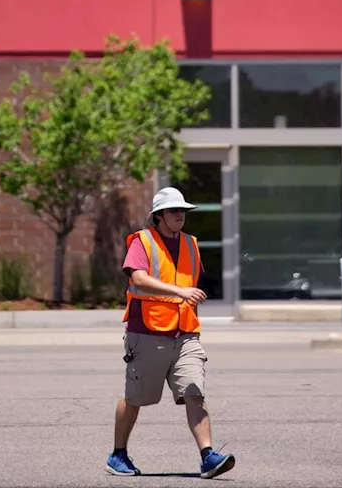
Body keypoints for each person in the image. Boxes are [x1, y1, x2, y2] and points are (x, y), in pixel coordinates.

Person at [107, 187, 236, 480]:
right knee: (135, 398)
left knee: (194, 391)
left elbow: (191, 277)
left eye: (183, 211)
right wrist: (179, 292)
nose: (180, 215)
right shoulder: (142, 242)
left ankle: (207, 457)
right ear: (159, 215)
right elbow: (138, 278)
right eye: (174, 211)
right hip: (148, 331)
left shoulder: (191, 243)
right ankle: (118, 454)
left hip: (186, 331)